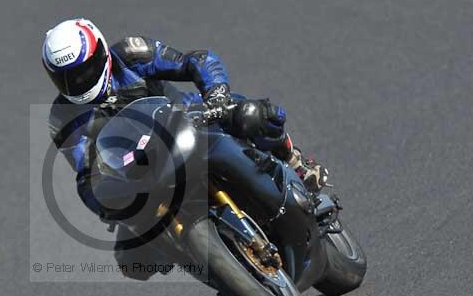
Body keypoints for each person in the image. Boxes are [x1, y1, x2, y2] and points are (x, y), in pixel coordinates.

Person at [44, 18, 327, 278]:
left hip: (190, 118)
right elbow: (86, 175)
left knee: (254, 114)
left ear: (101, 53)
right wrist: (108, 204)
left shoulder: (131, 53)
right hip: (140, 168)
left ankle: (294, 162)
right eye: (66, 77)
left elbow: (195, 61)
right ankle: (218, 269)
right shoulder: (62, 118)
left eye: (83, 71)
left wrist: (216, 94)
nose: (78, 82)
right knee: (132, 261)